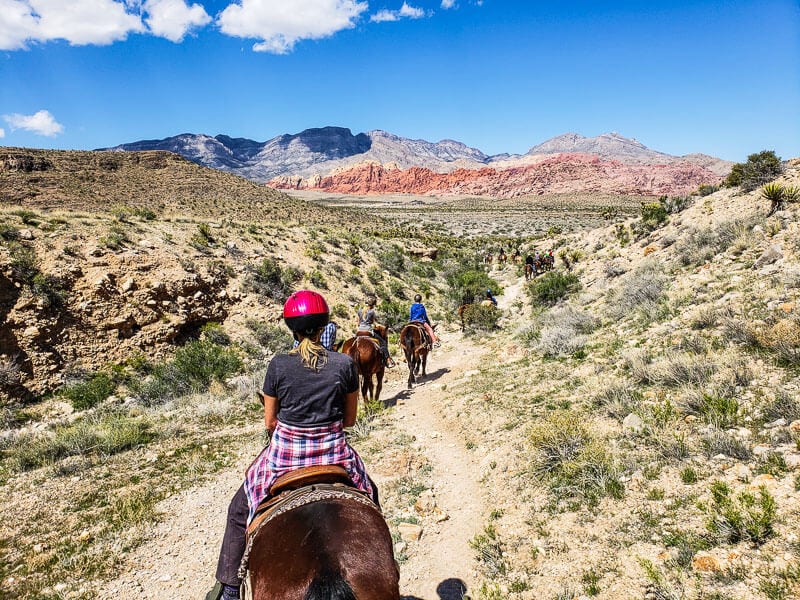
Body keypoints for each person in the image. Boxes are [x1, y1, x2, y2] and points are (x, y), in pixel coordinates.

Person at [206, 290, 377, 600]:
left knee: (238, 509)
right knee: (370, 494)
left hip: (285, 454)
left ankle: (230, 588)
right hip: (333, 451)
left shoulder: (278, 365)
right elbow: (350, 420)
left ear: (292, 328)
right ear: (324, 324)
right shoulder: (343, 364)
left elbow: (270, 422)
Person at [357, 296, 396, 368]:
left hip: (359, 331)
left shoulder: (359, 310)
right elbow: (373, 323)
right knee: (383, 343)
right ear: (373, 305)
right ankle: (388, 360)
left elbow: (358, 323)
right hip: (368, 331)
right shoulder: (372, 312)